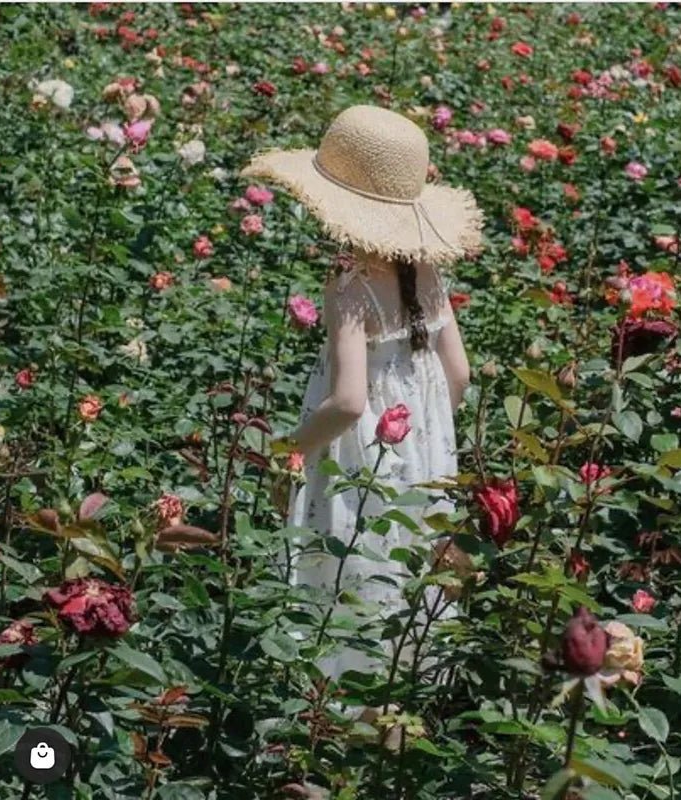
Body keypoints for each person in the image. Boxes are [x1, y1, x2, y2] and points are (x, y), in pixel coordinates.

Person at [240, 104, 483, 691]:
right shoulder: (427, 274)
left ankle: (330, 726)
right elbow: (459, 376)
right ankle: (389, 733)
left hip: (355, 462)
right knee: (400, 581)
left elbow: (349, 401)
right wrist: (421, 438)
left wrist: (285, 450)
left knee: (346, 569)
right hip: (417, 461)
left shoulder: (349, 286)